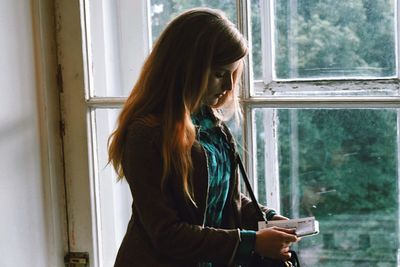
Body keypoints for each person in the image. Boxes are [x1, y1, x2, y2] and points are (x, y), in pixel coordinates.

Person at [108, 7, 299, 267]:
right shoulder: (146, 134)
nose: (230, 87)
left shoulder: (211, 124)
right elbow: (167, 233)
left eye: (233, 74)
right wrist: (252, 241)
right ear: (184, 68)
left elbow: (224, 200)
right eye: (220, 74)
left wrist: (268, 218)